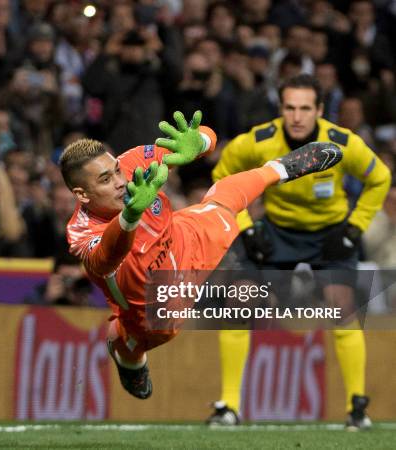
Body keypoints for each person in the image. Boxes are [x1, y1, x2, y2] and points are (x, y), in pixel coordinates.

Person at [60, 108, 343, 401]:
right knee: (131, 340)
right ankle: (126, 353)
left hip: (184, 239)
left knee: (222, 199)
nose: (120, 181)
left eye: (117, 170)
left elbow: (207, 135)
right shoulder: (81, 233)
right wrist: (130, 216)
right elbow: (107, 255)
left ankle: (282, 168)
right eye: (106, 180)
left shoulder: (133, 165)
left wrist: (200, 143)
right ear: (82, 194)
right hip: (155, 300)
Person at [210, 74, 391, 430]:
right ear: (280, 109)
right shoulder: (259, 141)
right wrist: (247, 228)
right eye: (290, 107)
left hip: (331, 234)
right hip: (276, 232)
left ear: (320, 110)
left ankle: (357, 408)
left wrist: (355, 228)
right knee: (239, 302)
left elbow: (380, 177)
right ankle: (228, 406)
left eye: (305, 108)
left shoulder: (342, 143)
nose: (297, 116)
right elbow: (223, 175)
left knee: (342, 307)